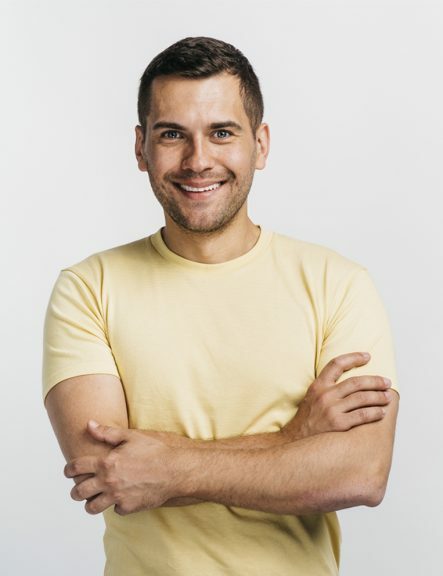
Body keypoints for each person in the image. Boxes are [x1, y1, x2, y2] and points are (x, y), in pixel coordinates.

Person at [42, 36, 399, 576]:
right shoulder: (88, 288)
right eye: (172, 134)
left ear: (261, 144)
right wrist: (292, 441)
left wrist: (169, 468)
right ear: (140, 148)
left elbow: (361, 473)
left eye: (222, 133)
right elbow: (106, 473)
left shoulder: (338, 284)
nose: (198, 161)